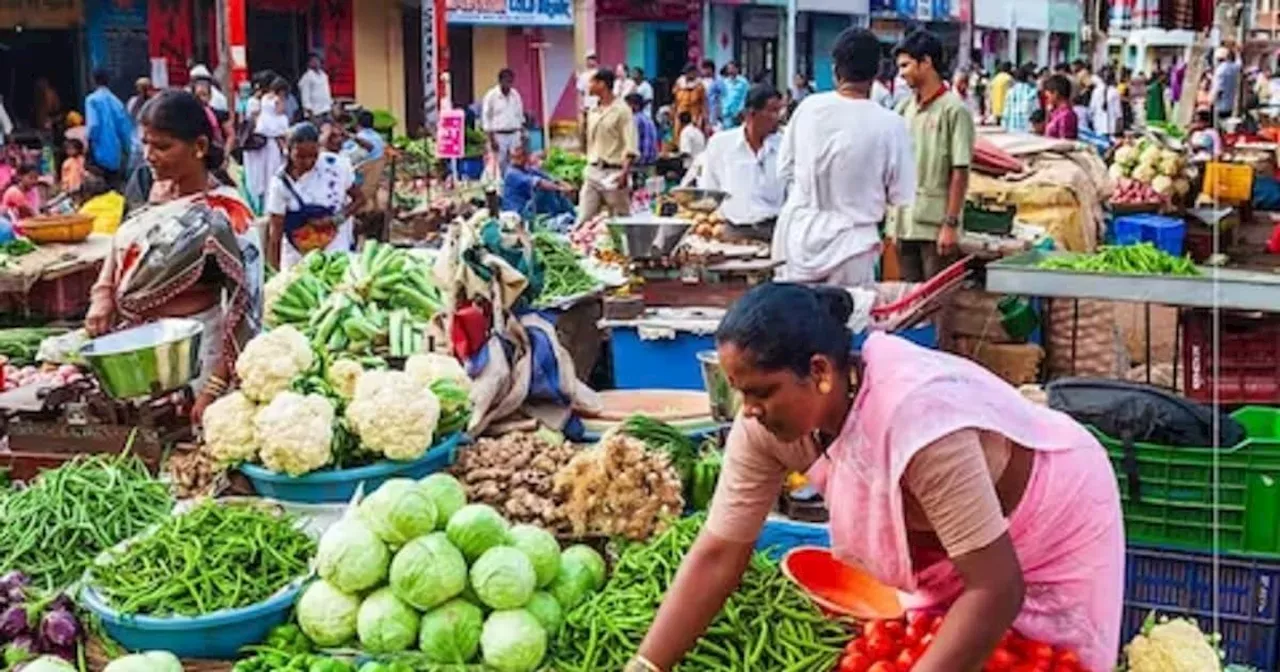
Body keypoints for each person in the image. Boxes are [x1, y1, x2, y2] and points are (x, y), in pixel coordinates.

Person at [626, 282, 1124, 672]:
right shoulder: (764, 427)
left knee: (1050, 662)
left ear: (819, 371)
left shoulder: (917, 418)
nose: (748, 411)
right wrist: (645, 666)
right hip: (956, 554)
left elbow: (996, 588)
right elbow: (718, 555)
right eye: (740, 393)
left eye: (761, 392)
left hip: (1051, 521)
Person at [86, 89, 262, 424]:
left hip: (194, 355)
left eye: (163, 146)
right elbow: (120, 241)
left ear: (198, 147)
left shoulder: (227, 215)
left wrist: (214, 387)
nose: (150, 155)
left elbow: (248, 307)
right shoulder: (145, 186)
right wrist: (103, 296)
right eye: (146, 143)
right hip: (136, 351)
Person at [772, 28, 914, 288]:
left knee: (793, 323)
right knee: (846, 323)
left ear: (836, 69)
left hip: (798, 241)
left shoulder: (808, 109)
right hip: (853, 248)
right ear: (877, 73)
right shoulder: (892, 124)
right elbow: (900, 195)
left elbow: (784, 170)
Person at [888, 30, 974, 283]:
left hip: (935, 224)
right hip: (904, 222)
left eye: (906, 65)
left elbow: (960, 170)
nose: (901, 74)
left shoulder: (954, 110)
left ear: (926, 63)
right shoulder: (904, 108)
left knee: (937, 302)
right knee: (910, 301)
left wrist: (950, 223)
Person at [265, 122, 366, 271]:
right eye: (301, 156)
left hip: (335, 252)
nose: (308, 162)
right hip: (297, 257)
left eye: (313, 156)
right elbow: (276, 233)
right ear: (288, 150)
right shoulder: (280, 183)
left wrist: (335, 220)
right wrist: (274, 272)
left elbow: (360, 199)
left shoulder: (336, 166)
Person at [699, 84, 786, 243]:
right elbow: (709, 189)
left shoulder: (785, 146)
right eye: (773, 111)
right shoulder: (720, 144)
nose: (778, 117)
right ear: (751, 114)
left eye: (779, 111)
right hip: (733, 232)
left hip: (776, 231)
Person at [578, 68, 637, 222]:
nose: (588, 86)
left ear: (602, 84)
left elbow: (630, 144)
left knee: (620, 221)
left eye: (592, 82)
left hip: (613, 173)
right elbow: (586, 140)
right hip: (593, 170)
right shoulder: (593, 110)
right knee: (584, 219)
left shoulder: (622, 110)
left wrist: (625, 173)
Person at [243, 77, 291, 211]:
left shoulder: (264, 100)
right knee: (273, 176)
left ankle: (263, 206)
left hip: (263, 145)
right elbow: (281, 122)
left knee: (262, 178)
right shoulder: (278, 105)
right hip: (273, 147)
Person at [85, 69, 135, 187]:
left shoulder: (92, 100)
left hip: (98, 151)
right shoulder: (116, 101)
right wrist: (127, 150)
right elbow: (125, 130)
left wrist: (88, 145)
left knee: (97, 186)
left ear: (93, 81)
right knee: (114, 185)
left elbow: (93, 126)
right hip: (115, 153)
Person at [501, 140, 574, 217]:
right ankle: (557, 216)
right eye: (514, 157)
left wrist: (566, 185)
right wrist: (560, 189)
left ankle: (572, 215)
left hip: (528, 205)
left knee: (554, 189)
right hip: (517, 210)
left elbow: (550, 177)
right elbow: (540, 183)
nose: (517, 160)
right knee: (547, 190)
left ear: (526, 156)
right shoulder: (511, 174)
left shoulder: (528, 169)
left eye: (520, 156)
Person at [481, 69, 525, 178]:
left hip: (514, 133)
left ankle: (512, 184)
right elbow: (486, 118)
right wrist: (491, 139)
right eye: (506, 81)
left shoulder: (515, 95)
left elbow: (519, 115)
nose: (509, 84)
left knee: (516, 161)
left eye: (511, 81)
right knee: (500, 163)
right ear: (500, 81)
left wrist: (522, 133)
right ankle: (501, 186)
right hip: (498, 135)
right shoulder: (491, 96)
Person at [673, 64, 707, 142]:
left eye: (692, 72)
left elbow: (703, 102)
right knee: (678, 133)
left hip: (694, 113)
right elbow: (675, 100)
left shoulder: (699, 86)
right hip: (681, 112)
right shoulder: (679, 84)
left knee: (694, 134)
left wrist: (704, 117)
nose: (690, 75)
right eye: (688, 73)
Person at [1002, 64, 1040, 133]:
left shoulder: (1010, 91)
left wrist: (1005, 125)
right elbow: (1036, 110)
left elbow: (1006, 111)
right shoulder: (1032, 92)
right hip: (1028, 127)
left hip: (1012, 128)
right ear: (1028, 77)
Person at [298, 53, 334, 120]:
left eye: (317, 60)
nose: (316, 62)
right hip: (315, 113)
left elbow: (327, 93)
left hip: (327, 111)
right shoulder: (307, 77)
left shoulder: (324, 75)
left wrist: (331, 107)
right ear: (308, 63)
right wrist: (311, 116)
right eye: (313, 61)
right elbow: (305, 99)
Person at [1042, 74, 1078, 140]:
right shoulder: (1056, 113)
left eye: (1047, 97)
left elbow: (1066, 142)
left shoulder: (1066, 115)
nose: (1047, 100)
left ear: (1056, 93)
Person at [627, 93, 659, 167]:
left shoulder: (635, 120)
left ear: (636, 106)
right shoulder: (648, 119)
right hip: (651, 160)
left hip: (639, 161)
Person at [1211, 47, 1242, 119]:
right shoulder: (1234, 67)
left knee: (1219, 124)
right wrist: (1238, 53)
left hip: (1220, 104)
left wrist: (1212, 101)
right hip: (1230, 104)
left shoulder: (1219, 70)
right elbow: (1239, 64)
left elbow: (1218, 88)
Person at [720, 62, 750, 128]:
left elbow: (746, 96)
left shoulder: (743, 82)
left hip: (738, 113)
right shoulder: (725, 82)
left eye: (732, 68)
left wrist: (741, 109)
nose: (730, 70)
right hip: (726, 112)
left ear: (737, 69)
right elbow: (722, 97)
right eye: (729, 68)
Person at [701, 59, 724, 130]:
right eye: (703, 69)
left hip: (716, 113)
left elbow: (723, 96)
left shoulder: (719, 81)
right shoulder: (701, 82)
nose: (705, 71)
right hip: (704, 113)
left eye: (707, 68)